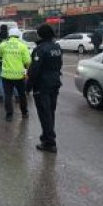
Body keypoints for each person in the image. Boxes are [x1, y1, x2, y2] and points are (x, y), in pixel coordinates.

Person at [26, 24, 63, 153]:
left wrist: (28, 86)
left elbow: (34, 70)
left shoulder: (40, 49)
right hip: (55, 83)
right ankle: (47, 136)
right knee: (50, 112)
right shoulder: (57, 47)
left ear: (41, 34)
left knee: (44, 113)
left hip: (43, 85)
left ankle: (49, 142)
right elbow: (59, 65)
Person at [0, 28, 31, 122]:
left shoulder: (3, 44)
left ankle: (9, 115)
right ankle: (24, 113)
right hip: (19, 76)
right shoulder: (22, 46)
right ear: (18, 35)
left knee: (8, 95)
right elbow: (27, 61)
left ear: (9, 35)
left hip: (6, 75)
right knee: (21, 95)